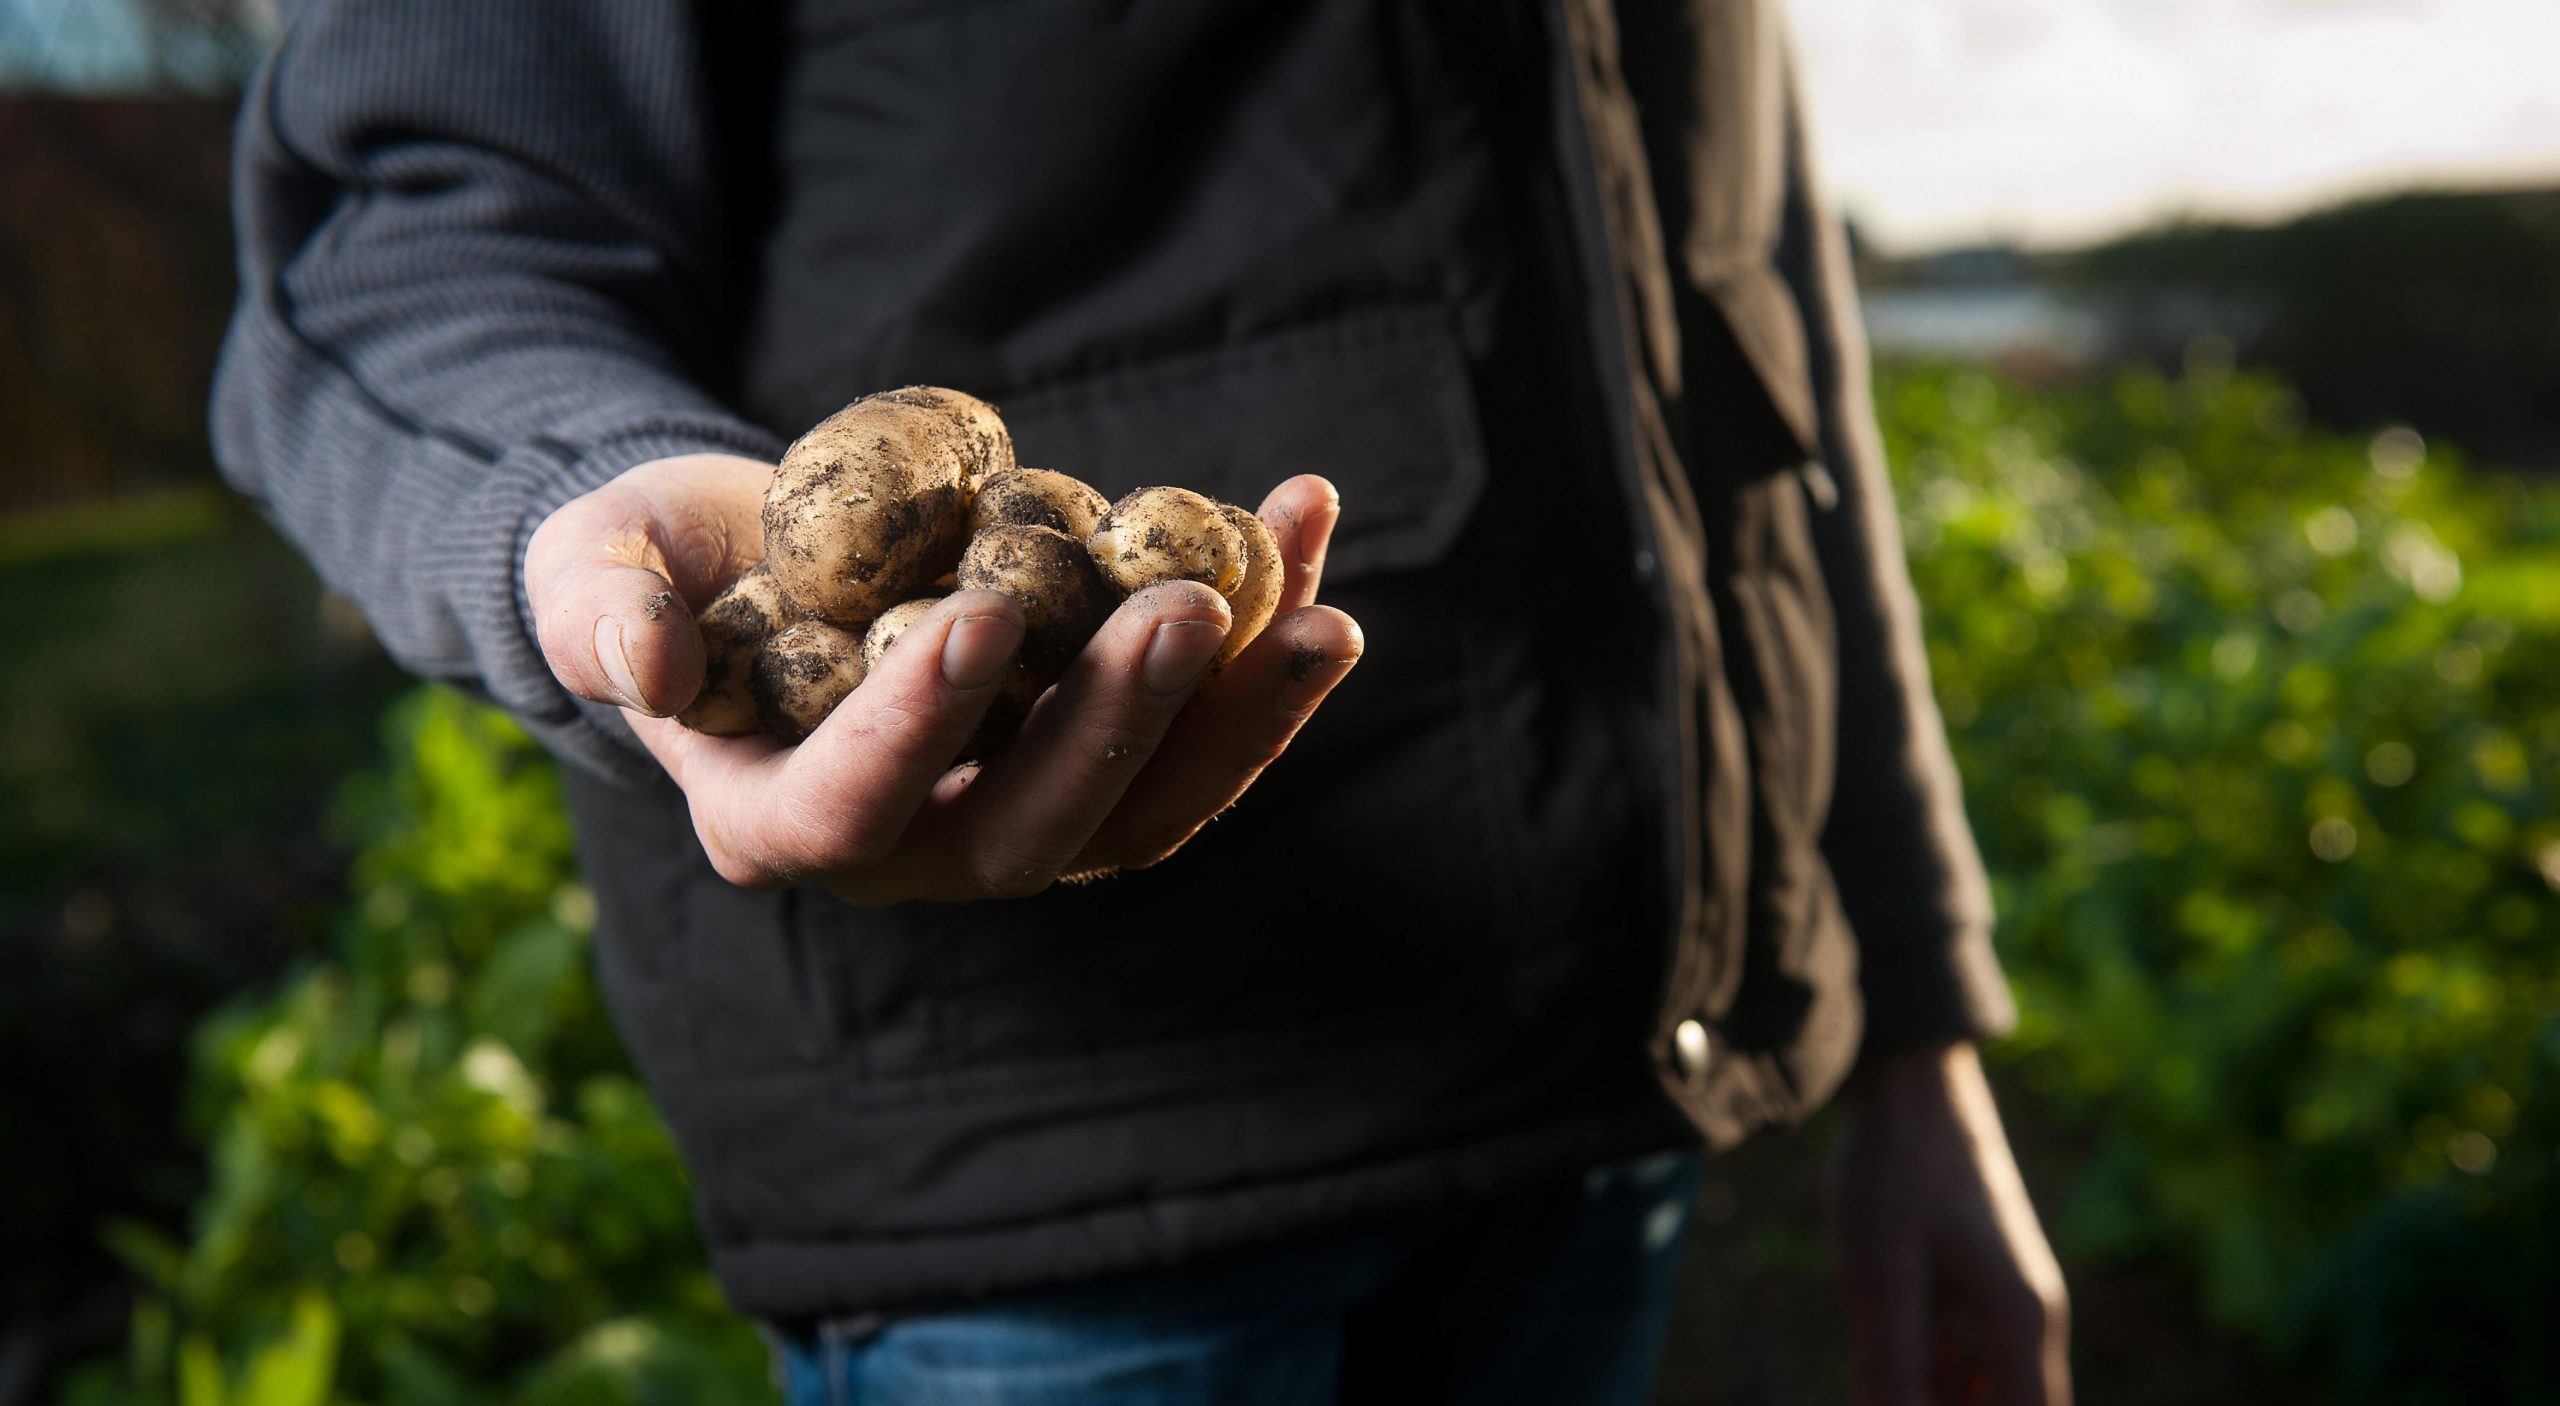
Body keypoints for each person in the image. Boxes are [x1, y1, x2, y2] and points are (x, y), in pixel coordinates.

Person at [215, 1, 2071, 1401]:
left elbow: (1749, 326)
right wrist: (580, 512)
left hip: (1598, 1099)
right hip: (1056, 1186)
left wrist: (1913, 1011)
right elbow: (409, 238)